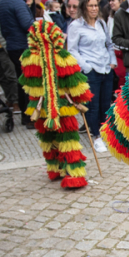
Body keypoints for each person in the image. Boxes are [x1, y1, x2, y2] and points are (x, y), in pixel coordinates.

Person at [20, 20, 93, 187]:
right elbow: (76, 85)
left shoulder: (27, 59)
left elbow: (28, 85)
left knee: (48, 139)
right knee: (68, 140)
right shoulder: (63, 58)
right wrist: (81, 100)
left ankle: (55, 169)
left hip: (40, 107)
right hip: (63, 108)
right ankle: (73, 174)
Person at [67, 0, 115, 153]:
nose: (94, 9)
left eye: (96, 5)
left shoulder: (101, 23)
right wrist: (86, 67)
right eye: (90, 6)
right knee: (92, 105)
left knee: (105, 103)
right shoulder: (76, 26)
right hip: (90, 70)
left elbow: (109, 44)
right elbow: (72, 50)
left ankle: (105, 132)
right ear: (84, 7)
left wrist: (112, 60)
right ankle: (96, 135)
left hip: (105, 68)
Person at [0, 0, 35, 127]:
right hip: (23, 46)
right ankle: (31, 117)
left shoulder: (3, 2)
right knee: (29, 82)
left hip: (12, 46)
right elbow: (28, 24)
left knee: (21, 81)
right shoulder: (17, 3)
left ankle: (25, 115)